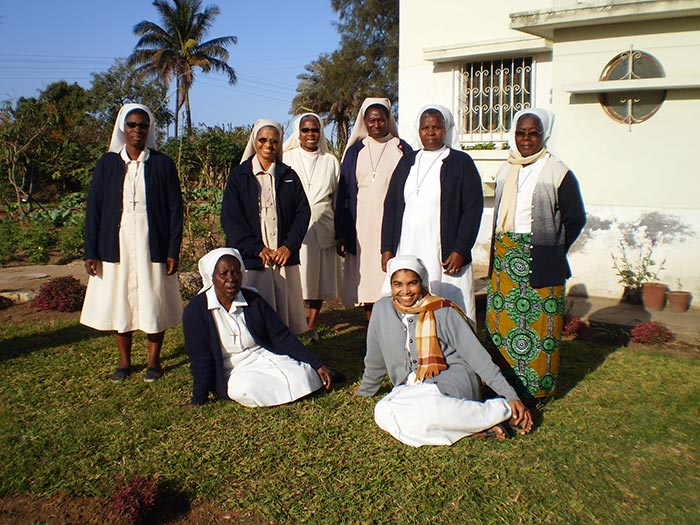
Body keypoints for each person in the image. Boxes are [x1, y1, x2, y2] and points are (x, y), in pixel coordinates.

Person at [356, 255, 532, 446]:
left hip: (450, 381)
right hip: (409, 388)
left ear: (421, 283)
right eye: (398, 284)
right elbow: (375, 358)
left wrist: (510, 396)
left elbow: (478, 357)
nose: (405, 291)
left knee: (427, 410)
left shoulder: (442, 309)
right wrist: (367, 389)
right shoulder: (381, 309)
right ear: (390, 285)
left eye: (412, 283)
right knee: (383, 410)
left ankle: (503, 410)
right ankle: (475, 427)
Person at [486, 108, 586, 402]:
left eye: (533, 134)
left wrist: (553, 248)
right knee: (503, 324)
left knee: (540, 327)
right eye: (521, 133)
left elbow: (576, 218)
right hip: (505, 259)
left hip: (540, 260)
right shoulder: (506, 169)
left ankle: (538, 390)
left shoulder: (557, 171)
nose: (526, 139)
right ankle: (503, 385)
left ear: (544, 135)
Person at [81, 103, 183, 383]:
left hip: (153, 243)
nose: (138, 130)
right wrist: (91, 250)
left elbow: (175, 210)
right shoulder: (108, 164)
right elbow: (95, 209)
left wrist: (173, 250)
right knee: (121, 301)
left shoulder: (162, 164)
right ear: (122, 128)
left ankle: (153, 361)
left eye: (143, 125)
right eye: (132, 125)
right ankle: (124, 362)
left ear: (149, 130)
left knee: (154, 300)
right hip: (116, 244)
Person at [182, 248, 333, 406]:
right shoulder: (196, 311)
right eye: (223, 274)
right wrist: (198, 399)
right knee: (244, 389)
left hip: (266, 355)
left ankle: (301, 383)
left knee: (304, 374)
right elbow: (201, 359)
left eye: (236, 272)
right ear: (211, 277)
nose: (231, 278)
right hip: (234, 368)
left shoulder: (253, 300)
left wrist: (316, 363)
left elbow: (281, 337)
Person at [381, 105, 483, 326]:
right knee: (410, 295)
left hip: (443, 250)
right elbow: (391, 206)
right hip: (409, 245)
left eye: (436, 127)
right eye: (425, 127)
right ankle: (415, 340)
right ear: (418, 130)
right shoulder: (407, 161)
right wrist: (387, 248)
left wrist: (460, 249)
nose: (430, 132)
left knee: (448, 299)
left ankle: (452, 342)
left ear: (446, 129)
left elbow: (473, 210)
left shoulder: (461, 162)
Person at [221, 119, 310, 335]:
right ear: (255, 142)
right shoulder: (239, 176)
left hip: (282, 255)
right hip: (254, 257)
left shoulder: (289, 175)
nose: (268, 145)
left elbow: (302, 213)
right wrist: (256, 248)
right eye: (263, 140)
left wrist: (288, 247)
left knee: (285, 314)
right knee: (256, 314)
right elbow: (231, 218)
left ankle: (285, 347)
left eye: (274, 141)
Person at [335, 97, 411, 319]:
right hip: (362, 226)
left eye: (381, 120)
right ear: (364, 122)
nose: (376, 124)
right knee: (368, 279)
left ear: (388, 120)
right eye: (371, 120)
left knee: (391, 274)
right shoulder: (355, 151)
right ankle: (372, 326)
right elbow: (344, 194)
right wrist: (342, 232)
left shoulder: (401, 148)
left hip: (394, 223)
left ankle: (395, 322)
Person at [283, 113, 340, 342]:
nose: (310, 134)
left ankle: (311, 325)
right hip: (294, 227)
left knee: (318, 281)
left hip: (323, 225)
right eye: (305, 130)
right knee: (294, 279)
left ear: (320, 132)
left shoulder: (330, 161)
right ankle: (293, 323)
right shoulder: (287, 158)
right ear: (298, 132)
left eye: (315, 130)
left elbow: (337, 197)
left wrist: (341, 230)